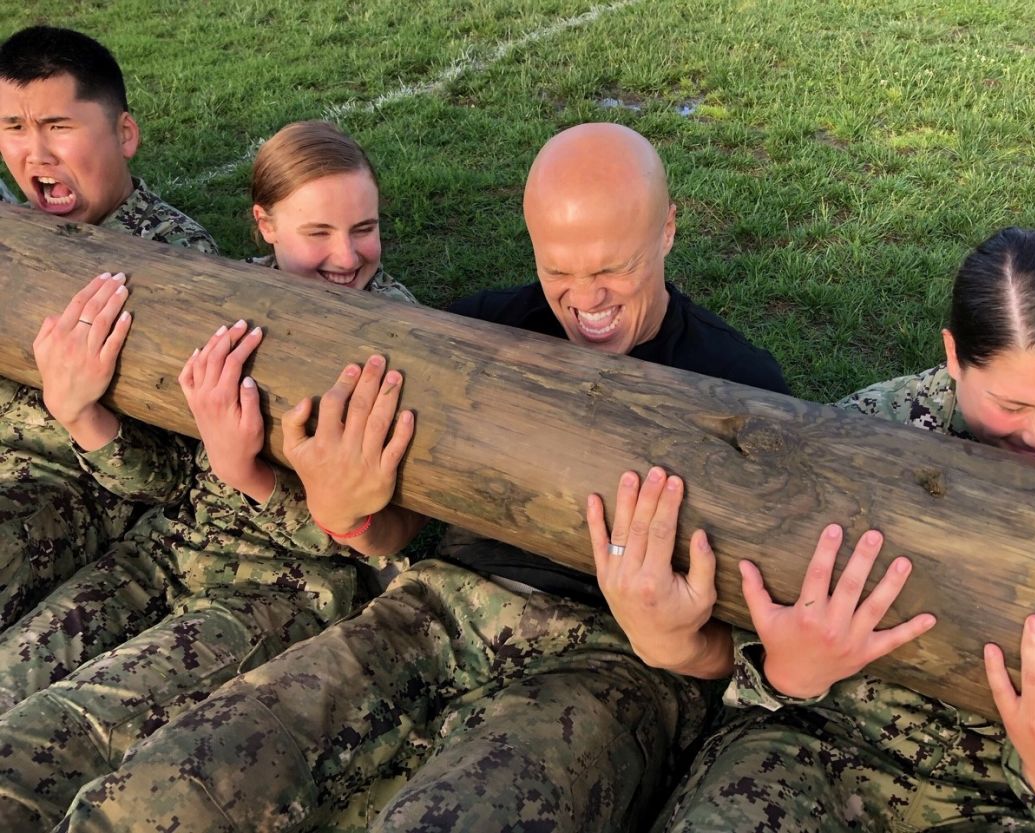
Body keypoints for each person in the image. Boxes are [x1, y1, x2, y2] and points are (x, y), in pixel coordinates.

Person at [54, 122, 789, 833]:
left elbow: (758, 646)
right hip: (433, 608)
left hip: (610, 658)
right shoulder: (473, 334)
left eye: (610, 268)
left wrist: (680, 647)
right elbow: (397, 526)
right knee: (167, 784)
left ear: (667, 230)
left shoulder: (744, 397)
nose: (586, 300)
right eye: (558, 269)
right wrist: (349, 515)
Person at [587, 226, 1035, 832]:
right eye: (1013, 406)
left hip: (1013, 794)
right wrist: (785, 671)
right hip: (823, 744)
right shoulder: (858, 436)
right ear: (953, 354)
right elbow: (749, 668)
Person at [0, 121, 420, 831]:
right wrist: (84, 417)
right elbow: (163, 483)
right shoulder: (220, 301)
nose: (347, 256)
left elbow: (378, 546)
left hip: (273, 588)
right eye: (317, 231)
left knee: (44, 739)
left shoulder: (398, 338)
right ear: (264, 224)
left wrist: (247, 472)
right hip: (159, 550)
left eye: (365, 228)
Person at [0, 25, 217, 629]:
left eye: (58, 127)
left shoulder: (176, 263)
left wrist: (79, 415)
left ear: (125, 134)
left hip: (59, 491)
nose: (34, 155)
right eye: (13, 128)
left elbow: (171, 480)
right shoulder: (14, 225)